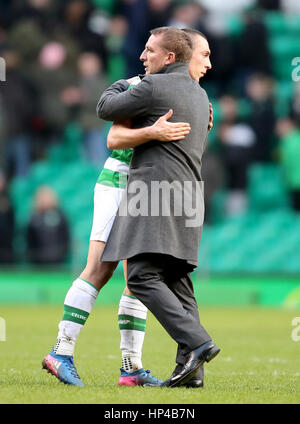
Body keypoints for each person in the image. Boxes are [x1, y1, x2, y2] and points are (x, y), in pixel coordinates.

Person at [42, 27, 213, 388]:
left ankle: (131, 367)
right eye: (204, 56)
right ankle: (61, 350)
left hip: (149, 190)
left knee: (137, 280)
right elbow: (114, 138)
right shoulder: (142, 85)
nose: (207, 64)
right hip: (120, 180)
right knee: (99, 269)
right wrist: (153, 132)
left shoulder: (194, 96)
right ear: (182, 56)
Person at [98, 26, 220, 388]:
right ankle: (192, 372)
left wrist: (125, 83)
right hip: (189, 198)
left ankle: (198, 342)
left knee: (140, 276)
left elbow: (106, 107)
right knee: (177, 280)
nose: (142, 56)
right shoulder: (201, 96)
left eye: (149, 51)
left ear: (169, 58)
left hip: (154, 194)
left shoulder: (153, 87)